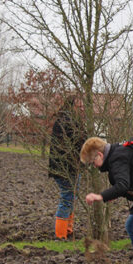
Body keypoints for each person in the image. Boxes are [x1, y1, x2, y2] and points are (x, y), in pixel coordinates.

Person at [49, 96, 86, 239]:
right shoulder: (66, 122)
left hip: (72, 167)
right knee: (67, 198)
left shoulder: (71, 121)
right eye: (79, 106)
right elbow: (77, 143)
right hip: (65, 168)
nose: (82, 108)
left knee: (71, 197)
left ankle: (68, 230)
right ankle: (60, 235)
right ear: (72, 106)